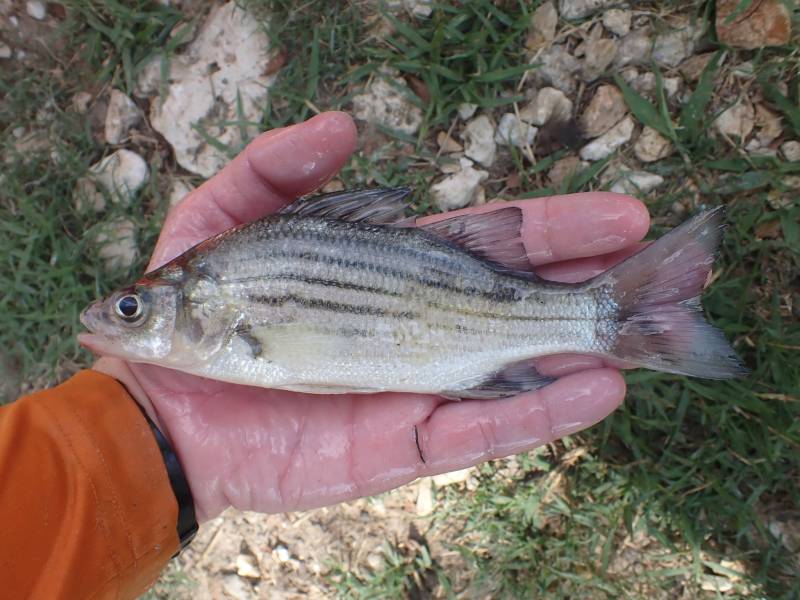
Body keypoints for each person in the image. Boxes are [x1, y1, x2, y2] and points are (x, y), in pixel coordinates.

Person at [0, 112, 650, 599]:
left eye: (131, 310)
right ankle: (604, 315)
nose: (115, 321)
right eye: (127, 311)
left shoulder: (228, 306)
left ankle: (601, 314)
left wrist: (124, 445)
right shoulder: (221, 317)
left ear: (192, 302)